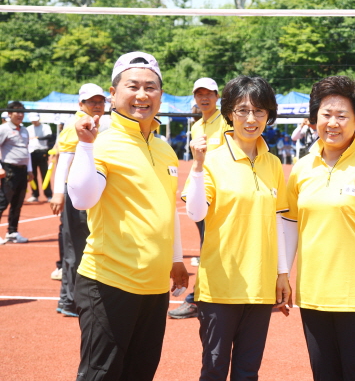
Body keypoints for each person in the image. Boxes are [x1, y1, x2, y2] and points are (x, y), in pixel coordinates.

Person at [66, 52, 189, 381]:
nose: (142, 94)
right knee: (102, 375)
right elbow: (81, 198)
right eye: (132, 86)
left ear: (160, 95)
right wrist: (86, 147)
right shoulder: (103, 143)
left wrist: (176, 259)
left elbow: (167, 210)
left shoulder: (164, 149)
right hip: (109, 282)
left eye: (151, 87)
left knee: (140, 373)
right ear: (113, 93)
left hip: (154, 287)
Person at [284, 76, 355, 381]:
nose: (332, 123)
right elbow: (290, 224)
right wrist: (282, 272)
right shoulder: (302, 168)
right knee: (324, 372)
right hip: (313, 290)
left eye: (342, 116)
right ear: (314, 119)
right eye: (326, 114)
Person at [184, 76, 291, 380]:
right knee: (214, 370)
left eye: (259, 111)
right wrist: (197, 167)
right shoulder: (213, 159)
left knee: (248, 372)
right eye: (242, 110)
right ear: (229, 112)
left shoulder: (272, 164)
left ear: (269, 115)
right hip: (220, 287)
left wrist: (282, 274)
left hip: (260, 287)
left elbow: (278, 222)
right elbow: (195, 211)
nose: (251, 119)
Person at [167, 77, 230, 320]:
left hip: (221, 196)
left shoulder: (226, 122)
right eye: (199, 94)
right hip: (200, 194)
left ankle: (198, 299)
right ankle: (202, 297)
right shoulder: (196, 127)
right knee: (209, 247)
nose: (204, 98)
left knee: (214, 247)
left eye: (209, 94)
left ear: (217, 96)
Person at [50, 84, 106, 317]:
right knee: (76, 248)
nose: (96, 105)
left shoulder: (100, 123)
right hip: (74, 194)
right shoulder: (80, 124)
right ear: (80, 104)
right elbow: (65, 158)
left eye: (99, 101)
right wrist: (58, 192)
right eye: (90, 101)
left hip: (84, 192)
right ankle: (69, 300)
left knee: (80, 246)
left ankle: (72, 299)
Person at [0, 101, 33, 244]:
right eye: (17, 112)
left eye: (22, 112)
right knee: (2, 202)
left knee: (18, 203)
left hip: (22, 170)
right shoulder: (4, 129)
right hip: (9, 170)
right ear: (9, 113)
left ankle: (12, 232)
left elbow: (27, 151)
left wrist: (30, 170)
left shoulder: (25, 130)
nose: (20, 115)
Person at [26, 113, 54, 203]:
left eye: (36, 119)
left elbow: (50, 136)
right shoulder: (28, 129)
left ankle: (49, 195)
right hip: (31, 153)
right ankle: (35, 194)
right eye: (33, 120)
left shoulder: (45, 127)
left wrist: (38, 138)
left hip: (42, 152)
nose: (34, 121)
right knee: (32, 174)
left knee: (44, 174)